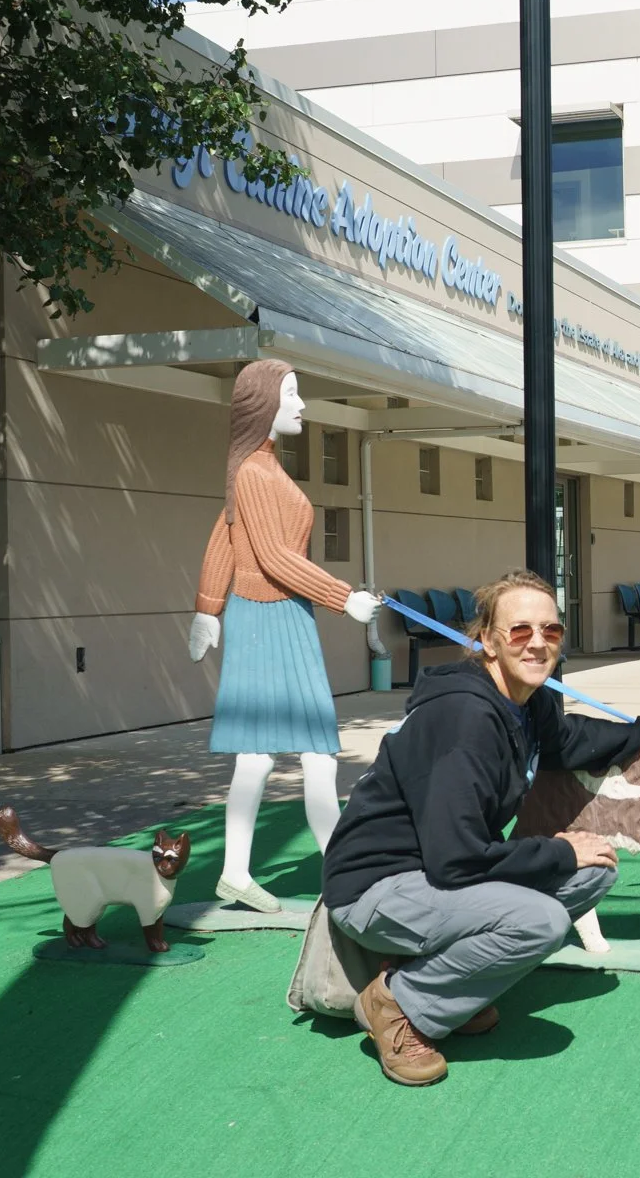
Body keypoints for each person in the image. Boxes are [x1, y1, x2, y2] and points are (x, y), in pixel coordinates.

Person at [321, 569, 640, 1086]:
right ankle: (399, 1003)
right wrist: (556, 853)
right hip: (379, 886)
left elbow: (568, 738)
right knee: (541, 920)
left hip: (439, 875)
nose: (537, 644)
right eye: (519, 631)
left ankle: (448, 987)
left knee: (593, 870)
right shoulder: (464, 720)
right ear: (487, 641)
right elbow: (456, 858)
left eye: (550, 631)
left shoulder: (524, 704)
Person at [189, 359, 381, 913]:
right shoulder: (255, 472)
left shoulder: (257, 470)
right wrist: (343, 597)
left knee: (267, 756)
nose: (302, 405)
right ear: (264, 404)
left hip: (274, 615)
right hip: (270, 616)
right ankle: (343, 873)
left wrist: (209, 608)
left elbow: (226, 538)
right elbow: (272, 556)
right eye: (292, 394)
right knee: (307, 752)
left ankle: (241, 872)